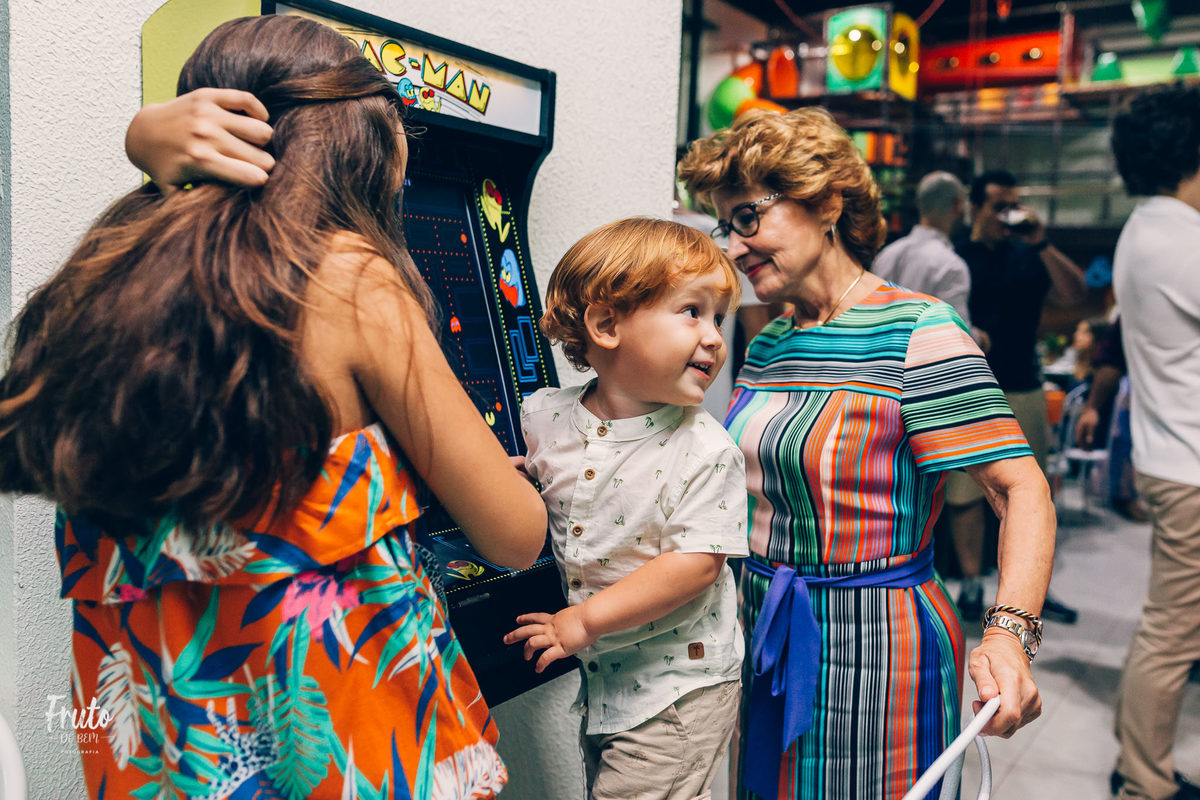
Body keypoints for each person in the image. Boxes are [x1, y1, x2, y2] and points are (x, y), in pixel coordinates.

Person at [0, 16, 547, 799]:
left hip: (170, 760)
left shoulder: (98, 282)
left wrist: (143, 152)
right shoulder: (352, 278)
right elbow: (515, 535)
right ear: (365, 140)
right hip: (344, 752)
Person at [678, 107, 1055, 800]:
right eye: (723, 226)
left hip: (879, 650)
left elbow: (1021, 487)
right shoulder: (769, 343)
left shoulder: (916, 329)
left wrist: (1008, 634)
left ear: (824, 203)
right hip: (766, 633)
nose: (732, 247)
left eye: (748, 219)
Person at [504, 217, 749, 800]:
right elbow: (534, 479)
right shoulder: (545, 417)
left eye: (718, 317)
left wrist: (582, 623)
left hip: (681, 687)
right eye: (692, 311)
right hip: (607, 676)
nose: (714, 336)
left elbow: (696, 565)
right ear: (607, 324)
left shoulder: (707, 450)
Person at [1107, 84, 1200, 800]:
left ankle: (1136, 760)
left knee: (1171, 628)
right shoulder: (1181, 239)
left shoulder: (1146, 228)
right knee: (1173, 634)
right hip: (1191, 464)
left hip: (1171, 456)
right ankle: (1145, 780)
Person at [957, 169, 1087, 625]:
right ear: (975, 208)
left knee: (1034, 489)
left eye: (1013, 204)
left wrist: (1041, 242)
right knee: (965, 493)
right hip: (971, 387)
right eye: (997, 205)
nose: (1007, 214)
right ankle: (973, 583)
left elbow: (1074, 291)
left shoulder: (1027, 253)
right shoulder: (960, 256)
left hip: (1024, 383)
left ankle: (1033, 590)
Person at [873, 170, 993, 621]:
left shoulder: (888, 254)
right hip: (931, 394)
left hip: (879, 389)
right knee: (952, 495)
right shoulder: (951, 265)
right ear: (959, 207)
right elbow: (956, 341)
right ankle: (944, 587)